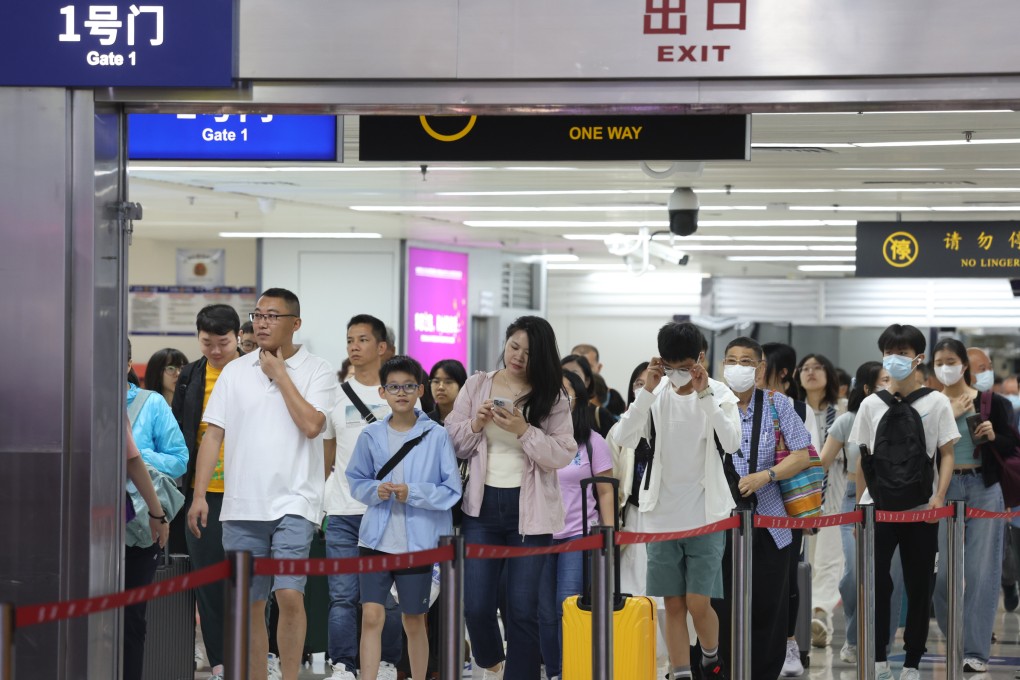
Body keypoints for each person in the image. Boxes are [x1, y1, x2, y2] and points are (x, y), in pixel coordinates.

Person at [187, 288, 336, 680]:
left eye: (273, 315)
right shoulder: (235, 372)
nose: (262, 322)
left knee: (288, 594)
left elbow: (311, 426)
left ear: (295, 323)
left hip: (295, 502)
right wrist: (199, 495)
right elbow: (213, 436)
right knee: (250, 602)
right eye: (258, 315)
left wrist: (281, 376)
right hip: (242, 505)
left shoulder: (317, 369)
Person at [446, 315, 574, 680]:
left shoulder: (553, 397)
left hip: (529, 513)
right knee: (476, 605)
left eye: (529, 352)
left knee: (522, 609)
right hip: (480, 509)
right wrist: (475, 423)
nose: (518, 356)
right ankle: (491, 662)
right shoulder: (477, 384)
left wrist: (524, 430)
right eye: (514, 346)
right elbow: (452, 438)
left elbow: (561, 454)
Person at [613, 322, 742, 680]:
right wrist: (647, 392)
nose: (676, 373)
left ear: (700, 358)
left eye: (683, 365)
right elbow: (623, 435)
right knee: (671, 603)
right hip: (661, 515)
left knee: (699, 603)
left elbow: (731, 442)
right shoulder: (654, 395)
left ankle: (710, 657)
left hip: (706, 514)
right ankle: (680, 672)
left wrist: (704, 397)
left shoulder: (720, 394)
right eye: (669, 365)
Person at [850, 324, 958, 680]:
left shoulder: (937, 401)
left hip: (920, 509)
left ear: (918, 358)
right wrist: (859, 509)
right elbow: (863, 461)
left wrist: (938, 498)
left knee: (919, 584)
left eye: (903, 353)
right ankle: (879, 657)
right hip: (876, 509)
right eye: (889, 353)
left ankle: (913, 660)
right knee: (877, 584)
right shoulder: (869, 404)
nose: (895, 359)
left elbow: (946, 454)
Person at [345, 355, 462, 680]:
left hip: (420, 543)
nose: (401, 393)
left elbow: (451, 491)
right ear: (382, 392)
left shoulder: (436, 435)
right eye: (394, 387)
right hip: (375, 540)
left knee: (414, 619)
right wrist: (374, 490)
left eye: (408, 386)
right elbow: (355, 480)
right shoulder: (371, 435)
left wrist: (413, 492)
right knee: (371, 616)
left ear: (420, 390)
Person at [712, 336, 812, 680]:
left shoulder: (777, 404)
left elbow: (802, 455)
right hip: (718, 521)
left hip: (771, 521)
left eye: (745, 361)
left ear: (760, 368)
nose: (737, 368)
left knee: (769, 604)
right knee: (719, 603)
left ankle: (763, 672)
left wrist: (765, 476)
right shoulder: (711, 402)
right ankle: (722, 671)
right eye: (731, 360)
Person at [322, 314, 403, 680]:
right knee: (342, 595)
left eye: (363, 340)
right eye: (350, 340)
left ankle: (386, 662)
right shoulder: (334, 397)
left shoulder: (399, 396)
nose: (354, 347)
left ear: (382, 347)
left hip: (389, 512)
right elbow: (328, 455)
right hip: (342, 509)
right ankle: (343, 664)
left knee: (387, 597)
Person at [932, 340, 1019, 673]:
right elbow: (922, 447)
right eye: (939, 361)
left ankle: (976, 650)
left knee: (982, 572)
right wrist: (948, 416)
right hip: (944, 487)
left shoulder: (991, 402)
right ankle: (953, 634)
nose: (945, 367)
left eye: (951, 360)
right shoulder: (931, 402)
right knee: (942, 575)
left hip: (984, 486)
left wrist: (994, 434)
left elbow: (1012, 443)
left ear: (963, 365)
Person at [171, 303, 243, 679]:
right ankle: (220, 663)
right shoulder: (190, 375)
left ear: (238, 338)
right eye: (207, 343)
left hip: (248, 493)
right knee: (210, 586)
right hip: (203, 494)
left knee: (251, 583)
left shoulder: (256, 371)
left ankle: (255, 657)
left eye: (223, 342)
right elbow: (184, 435)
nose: (215, 350)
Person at [818, 361, 903, 664]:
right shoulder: (847, 421)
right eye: (883, 381)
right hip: (854, 500)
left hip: (892, 501)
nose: (890, 386)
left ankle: (879, 645)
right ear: (867, 389)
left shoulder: (903, 418)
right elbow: (822, 463)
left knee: (889, 578)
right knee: (854, 576)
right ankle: (855, 637)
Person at [538, 370, 615, 680]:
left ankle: (571, 670)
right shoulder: (535, 436)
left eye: (565, 392)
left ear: (579, 399)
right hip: (539, 535)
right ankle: (554, 671)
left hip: (578, 536)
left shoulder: (593, 442)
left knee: (566, 605)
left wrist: (609, 538)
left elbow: (606, 491)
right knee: (543, 610)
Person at [124, 341, 189, 680]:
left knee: (131, 618)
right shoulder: (78, 400)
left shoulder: (152, 405)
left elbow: (179, 460)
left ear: (128, 364)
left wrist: (137, 454)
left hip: (139, 525)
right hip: (85, 527)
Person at [760, 341, 818, 677]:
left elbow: (809, 456)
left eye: (762, 362)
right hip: (747, 505)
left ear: (782, 371)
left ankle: (788, 644)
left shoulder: (797, 408)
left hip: (787, 505)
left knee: (787, 577)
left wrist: (810, 512)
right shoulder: (735, 404)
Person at [794, 353, 845, 650]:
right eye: (806, 368)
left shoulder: (843, 412)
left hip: (835, 501)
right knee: (804, 562)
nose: (811, 373)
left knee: (829, 563)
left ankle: (819, 617)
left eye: (817, 368)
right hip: (798, 501)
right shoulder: (793, 411)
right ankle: (802, 619)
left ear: (828, 375)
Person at [561, 354, 615, 439]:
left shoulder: (600, 415)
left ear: (587, 381)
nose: (568, 378)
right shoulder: (552, 412)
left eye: (574, 373)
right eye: (563, 372)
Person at [570, 343, 626, 416]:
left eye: (587, 366)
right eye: (576, 367)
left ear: (599, 367)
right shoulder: (560, 395)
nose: (582, 373)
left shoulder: (613, 399)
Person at [428, 359, 467, 425]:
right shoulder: (424, 422)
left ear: (461, 386)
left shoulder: (471, 422)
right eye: (436, 381)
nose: (441, 387)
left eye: (448, 382)